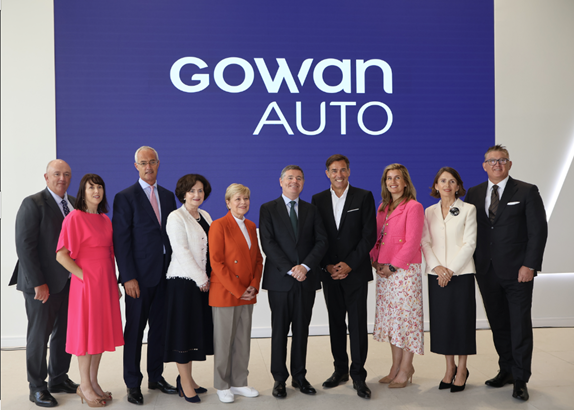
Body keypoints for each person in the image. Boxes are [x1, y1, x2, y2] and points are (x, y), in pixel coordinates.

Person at [465, 145, 547, 401]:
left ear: (509, 164)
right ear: (484, 165)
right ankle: (507, 370)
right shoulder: (475, 193)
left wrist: (530, 265)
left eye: (502, 160)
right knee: (498, 324)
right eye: (491, 161)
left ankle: (521, 379)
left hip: (518, 271)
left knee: (519, 325)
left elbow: (538, 231)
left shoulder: (526, 191)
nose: (496, 164)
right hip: (486, 271)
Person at [112, 146, 178, 405]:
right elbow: (121, 240)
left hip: (166, 275)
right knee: (136, 331)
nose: (148, 167)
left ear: (158, 164)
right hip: (138, 278)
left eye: (152, 162)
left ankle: (156, 377)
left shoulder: (168, 195)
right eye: (143, 163)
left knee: (160, 329)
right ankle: (132, 383)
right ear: (136, 166)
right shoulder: (125, 197)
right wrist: (127, 277)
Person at [11, 159, 79, 407]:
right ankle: (37, 386)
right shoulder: (33, 203)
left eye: (67, 174)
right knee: (39, 336)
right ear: (46, 176)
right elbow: (25, 247)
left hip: (68, 282)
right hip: (41, 285)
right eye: (57, 174)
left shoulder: (72, 203)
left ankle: (58, 379)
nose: (62, 178)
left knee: (63, 333)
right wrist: (38, 282)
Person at [259, 165, 328, 399]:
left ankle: (299, 376)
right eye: (290, 178)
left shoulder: (312, 210)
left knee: (301, 330)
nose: (294, 182)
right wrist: (290, 269)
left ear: (303, 183)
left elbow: (321, 241)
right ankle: (279, 379)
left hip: (306, 280)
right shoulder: (267, 208)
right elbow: (268, 243)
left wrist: (305, 267)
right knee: (279, 331)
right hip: (280, 281)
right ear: (280, 181)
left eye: (299, 178)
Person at [56, 174, 124, 407]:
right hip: (86, 286)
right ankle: (84, 386)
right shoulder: (75, 218)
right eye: (91, 187)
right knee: (86, 336)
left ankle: (94, 382)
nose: (96, 191)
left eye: (100, 187)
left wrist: (113, 283)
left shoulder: (106, 219)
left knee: (99, 334)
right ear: (83, 192)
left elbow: (110, 255)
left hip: (105, 283)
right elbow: (61, 255)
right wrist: (84, 276)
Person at [311, 154, 376, 399]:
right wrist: (327, 266)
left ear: (349, 172)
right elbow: (318, 236)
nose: (339, 174)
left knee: (358, 325)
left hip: (355, 272)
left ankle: (358, 375)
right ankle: (340, 370)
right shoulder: (317, 199)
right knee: (336, 323)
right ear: (327, 173)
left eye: (343, 170)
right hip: (329, 274)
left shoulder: (364, 196)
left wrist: (349, 264)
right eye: (334, 170)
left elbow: (368, 236)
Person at [421, 167, 477, 393]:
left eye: (451, 181)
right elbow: (424, 242)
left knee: (461, 323)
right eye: (442, 181)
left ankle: (462, 369)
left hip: (460, 274)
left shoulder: (468, 209)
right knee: (442, 324)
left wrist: (450, 270)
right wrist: (437, 268)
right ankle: (449, 368)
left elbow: (470, 244)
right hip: (436, 275)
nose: (447, 185)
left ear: (458, 186)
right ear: (435, 186)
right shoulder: (428, 212)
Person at [369, 163, 424, 388]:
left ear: (405, 182)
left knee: (407, 322)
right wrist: (375, 261)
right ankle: (395, 367)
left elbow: (412, 242)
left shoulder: (414, 207)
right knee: (392, 322)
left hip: (404, 272)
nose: (393, 182)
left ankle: (406, 368)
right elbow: (376, 238)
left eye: (397, 178)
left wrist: (392, 267)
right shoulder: (383, 207)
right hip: (384, 272)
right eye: (389, 178)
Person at [209, 184, 264, 403]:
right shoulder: (219, 225)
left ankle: (239, 382)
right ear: (228, 202)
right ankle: (222, 385)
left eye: (246, 199)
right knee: (224, 341)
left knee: (242, 340)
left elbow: (258, 259)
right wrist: (240, 289)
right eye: (238, 199)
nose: (243, 203)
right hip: (226, 292)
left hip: (247, 293)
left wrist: (253, 285)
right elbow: (216, 262)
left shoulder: (250, 225)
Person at [164, 174, 214, 403]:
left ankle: (189, 379)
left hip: (201, 284)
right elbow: (181, 251)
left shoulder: (205, 215)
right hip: (183, 283)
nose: (197, 195)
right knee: (183, 334)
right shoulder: (176, 217)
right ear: (183, 193)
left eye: (201, 191)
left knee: (194, 332)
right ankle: (184, 383)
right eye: (192, 191)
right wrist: (201, 278)